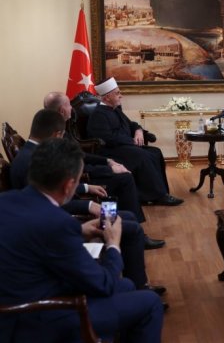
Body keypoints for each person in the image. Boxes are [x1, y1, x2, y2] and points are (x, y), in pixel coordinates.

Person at [0, 138, 164, 343]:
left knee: (128, 285)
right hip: (39, 318)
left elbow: (33, 238)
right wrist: (113, 244)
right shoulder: (58, 222)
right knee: (150, 303)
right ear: (69, 185)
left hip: (18, 303)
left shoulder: (6, 201)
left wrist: (79, 231)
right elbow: (103, 284)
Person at [9, 109, 167, 296]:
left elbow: (48, 196)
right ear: (57, 135)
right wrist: (92, 211)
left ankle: (137, 284)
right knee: (129, 226)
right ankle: (136, 287)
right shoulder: (32, 161)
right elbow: (51, 203)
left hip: (70, 211)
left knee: (128, 217)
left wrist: (85, 187)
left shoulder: (33, 154)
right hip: (71, 215)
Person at [43, 91, 165, 249]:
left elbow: (79, 156)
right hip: (80, 182)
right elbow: (71, 171)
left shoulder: (58, 130)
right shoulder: (55, 136)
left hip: (80, 178)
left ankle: (116, 231)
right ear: (61, 111)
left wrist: (108, 162)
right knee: (123, 179)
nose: (72, 109)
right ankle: (121, 233)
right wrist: (105, 172)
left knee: (122, 177)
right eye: (68, 105)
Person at [87, 78, 183, 206]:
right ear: (107, 97)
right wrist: (131, 141)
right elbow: (108, 138)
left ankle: (160, 193)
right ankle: (157, 195)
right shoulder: (99, 114)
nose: (121, 95)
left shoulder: (115, 109)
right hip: (111, 150)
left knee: (155, 152)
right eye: (117, 93)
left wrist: (138, 130)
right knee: (143, 156)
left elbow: (131, 124)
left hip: (126, 146)